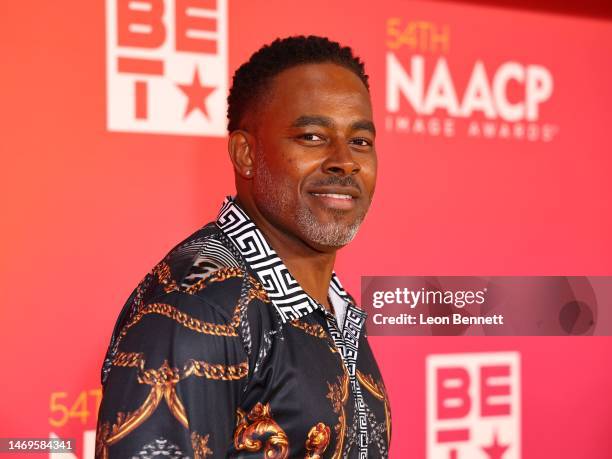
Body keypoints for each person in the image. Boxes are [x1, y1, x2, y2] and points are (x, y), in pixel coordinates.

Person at [96, 35, 390, 459]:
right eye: (311, 136)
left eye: (360, 141)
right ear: (246, 153)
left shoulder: (332, 306)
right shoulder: (198, 308)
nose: (345, 161)